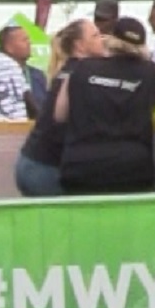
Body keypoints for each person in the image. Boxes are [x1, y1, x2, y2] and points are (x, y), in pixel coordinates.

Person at [53, 15, 155, 195]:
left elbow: (59, 115)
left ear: (111, 39)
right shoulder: (151, 72)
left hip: (81, 168)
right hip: (132, 169)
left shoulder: (82, 68)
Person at [19, 19, 94, 198]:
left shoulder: (67, 72)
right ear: (80, 46)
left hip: (34, 163)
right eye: (96, 36)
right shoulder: (78, 75)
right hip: (44, 168)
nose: (104, 40)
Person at [0, 24, 49, 113]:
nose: (29, 43)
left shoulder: (37, 75)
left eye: (29, 39)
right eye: (24, 40)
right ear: (9, 48)